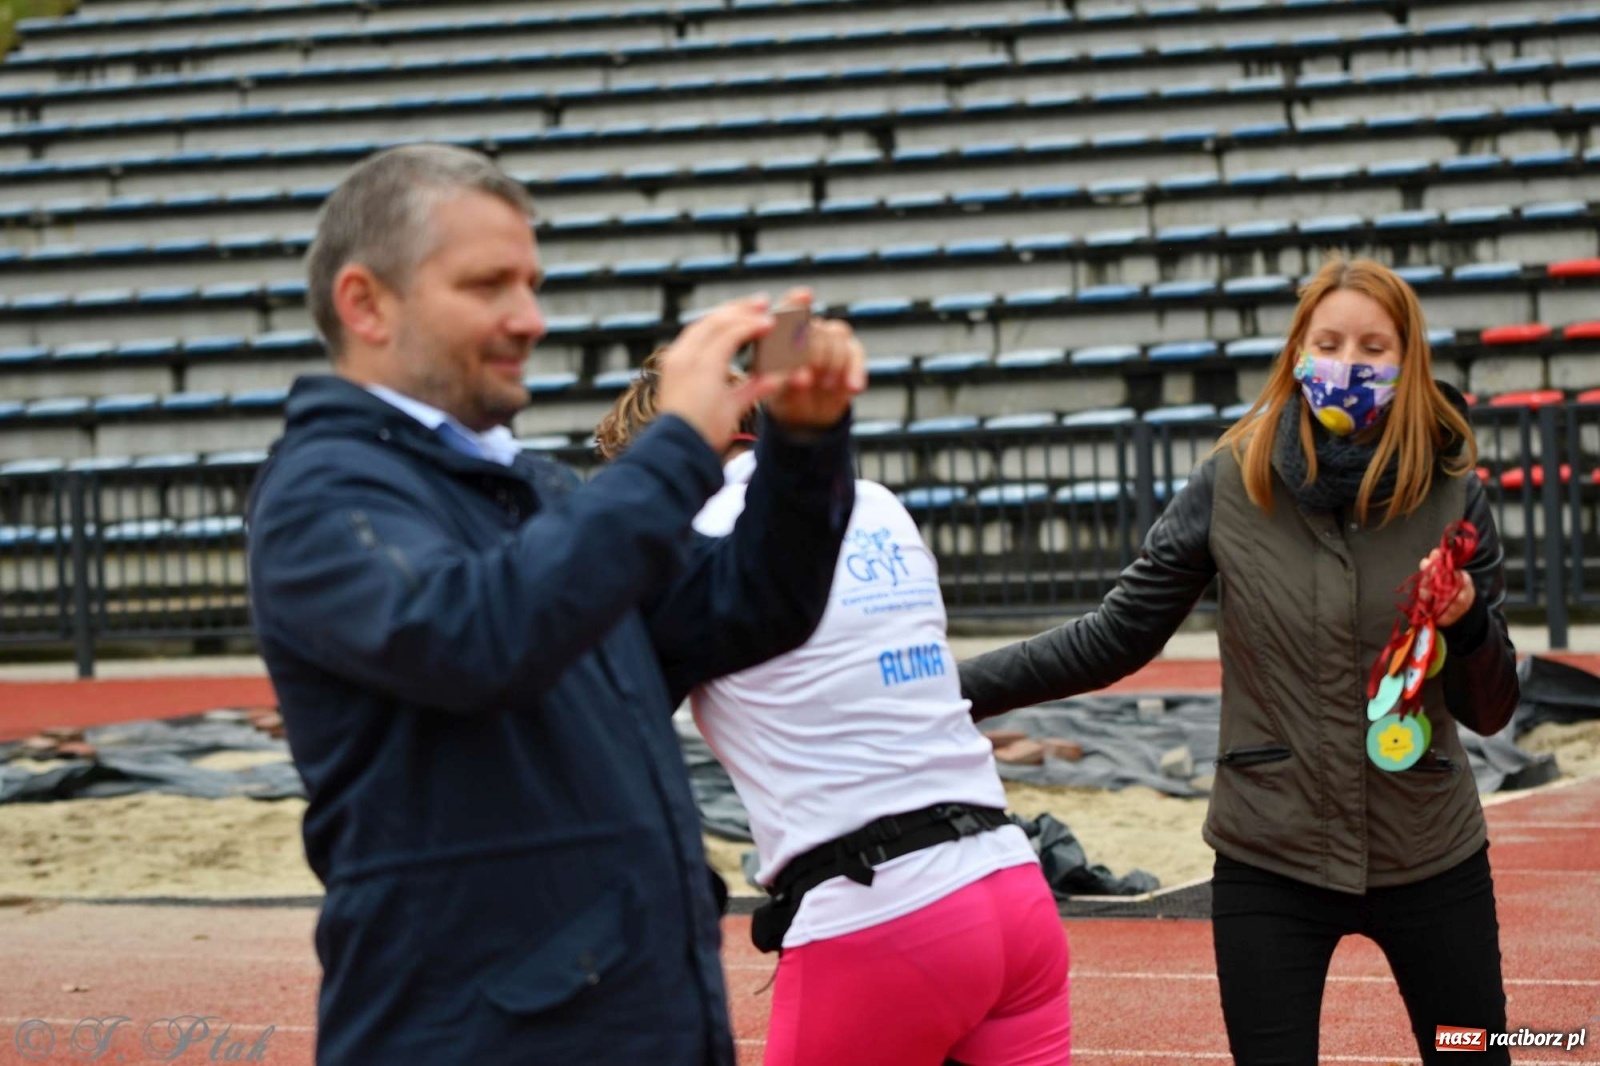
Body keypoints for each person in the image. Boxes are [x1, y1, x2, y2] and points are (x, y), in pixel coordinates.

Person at [245, 144, 867, 1066]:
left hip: (639, 1020)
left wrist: (804, 446)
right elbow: (474, 634)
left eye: (532, 284)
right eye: (489, 285)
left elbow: (749, 604)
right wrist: (680, 447)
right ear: (365, 302)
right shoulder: (320, 494)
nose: (529, 319)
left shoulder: (533, 488)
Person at [958, 257, 1520, 1065]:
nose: (1348, 366)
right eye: (1328, 343)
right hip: (1270, 852)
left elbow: (1492, 709)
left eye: (1372, 348)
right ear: (1297, 353)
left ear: (1410, 363)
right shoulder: (1232, 478)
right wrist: (950, 691)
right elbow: (1116, 635)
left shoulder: (1453, 493)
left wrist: (1468, 624)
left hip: (1430, 846)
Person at [598, 365, 1072, 1066]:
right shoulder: (877, 501)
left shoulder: (680, 545)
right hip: (1009, 882)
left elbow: (610, 726)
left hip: (877, 909)